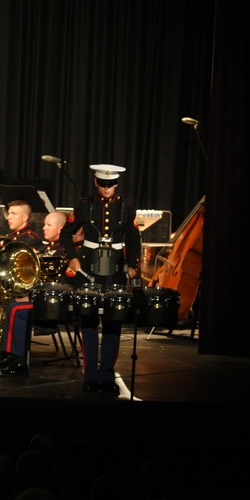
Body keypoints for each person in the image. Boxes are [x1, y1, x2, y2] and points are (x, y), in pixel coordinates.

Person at [60, 164, 141, 393]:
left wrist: (133, 265)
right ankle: (91, 375)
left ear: (116, 183)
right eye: (103, 184)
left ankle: (106, 375)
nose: (107, 188)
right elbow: (66, 234)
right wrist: (72, 259)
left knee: (113, 322)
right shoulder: (85, 205)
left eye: (111, 184)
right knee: (88, 321)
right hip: (88, 268)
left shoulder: (126, 207)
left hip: (114, 269)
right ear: (96, 182)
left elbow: (133, 239)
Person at [0, 200, 44, 377]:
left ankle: (16, 357)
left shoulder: (32, 240)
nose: (9, 217)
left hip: (26, 295)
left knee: (15, 309)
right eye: (9, 213)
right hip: (12, 291)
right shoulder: (11, 237)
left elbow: (34, 274)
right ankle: (5, 351)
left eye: (14, 214)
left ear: (25, 217)